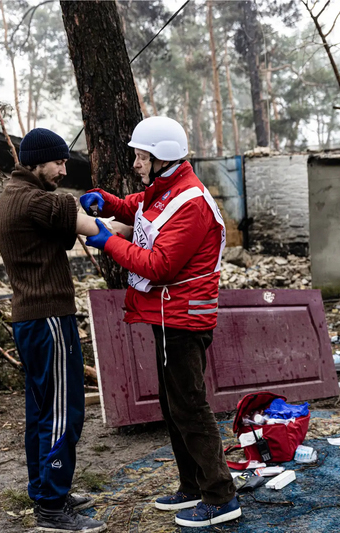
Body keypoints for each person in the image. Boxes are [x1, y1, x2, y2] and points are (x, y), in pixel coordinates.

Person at [80, 116, 240, 528]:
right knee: (174, 406)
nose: (135, 162)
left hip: (183, 317)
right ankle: (192, 486)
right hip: (171, 314)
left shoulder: (190, 203)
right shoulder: (168, 189)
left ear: (161, 157)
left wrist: (109, 241)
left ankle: (220, 497)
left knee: (189, 405)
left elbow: (160, 266)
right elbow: (141, 206)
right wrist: (111, 202)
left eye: (140, 156)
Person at [0, 128, 108, 532]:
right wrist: (144, 234)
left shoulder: (14, 194)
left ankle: (44, 488)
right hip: (48, 319)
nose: (64, 169)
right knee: (65, 412)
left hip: (30, 319)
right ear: (36, 162)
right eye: (58, 162)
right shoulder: (33, 200)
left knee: (42, 412)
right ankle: (52, 507)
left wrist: (81, 211)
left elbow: (64, 222)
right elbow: (94, 229)